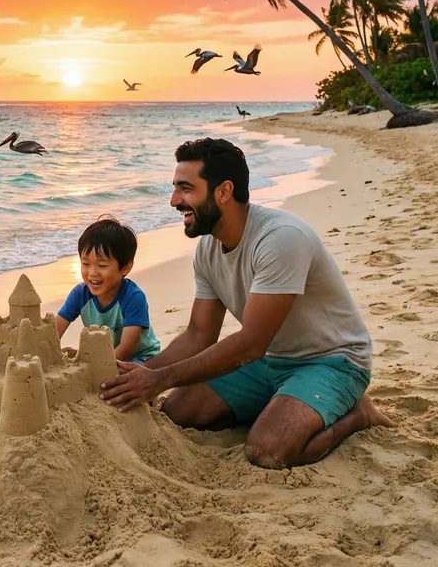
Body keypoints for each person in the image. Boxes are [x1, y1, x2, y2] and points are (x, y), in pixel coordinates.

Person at [99, 138, 392, 469]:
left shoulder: (280, 239)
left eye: (185, 189)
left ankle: (357, 414)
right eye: (175, 188)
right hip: (271, 360)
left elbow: (251, 343)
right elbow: (199, 334)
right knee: (176, 414)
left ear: (223, 191)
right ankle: (283, 401)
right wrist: (140, 375)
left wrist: (161, 379)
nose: (174, 201)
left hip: (332, 361)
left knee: (268, 449)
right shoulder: (209, 249)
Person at [56, 217, 161, 363]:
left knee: (113, 378)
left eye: (102, 266)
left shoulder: (133, 298)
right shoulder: (80, 294)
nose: (92, 273)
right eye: (85, 263)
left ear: (125, 267)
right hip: (104, 355)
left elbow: (126, 349)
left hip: (141, 357)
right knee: (67, 353)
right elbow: (54, 332)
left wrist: (94, 367)